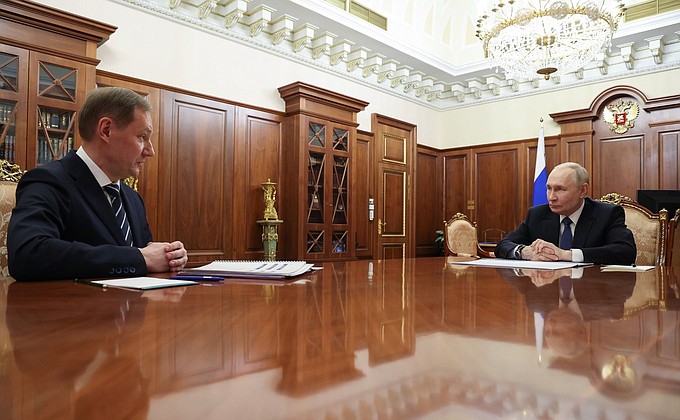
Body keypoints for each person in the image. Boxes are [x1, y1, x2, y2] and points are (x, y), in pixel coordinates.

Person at [8, 87, 188, 281]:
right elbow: (27, 254)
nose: (150, 151)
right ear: (106, 130)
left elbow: (145, 260)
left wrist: (168, 257)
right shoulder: (47, 181)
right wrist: (140, 258)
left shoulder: (132, 198)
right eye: (142, 137)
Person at [495, 162, 636, 265]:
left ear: (582, 191)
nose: (551, 197)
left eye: (560, 189)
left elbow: (625, 251)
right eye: (549, 188)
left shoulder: (607, 214)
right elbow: (502, 245)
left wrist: (566, 254)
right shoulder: (537, 214)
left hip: (590, 290)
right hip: (547, 289)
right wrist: (526, 252)